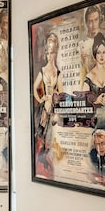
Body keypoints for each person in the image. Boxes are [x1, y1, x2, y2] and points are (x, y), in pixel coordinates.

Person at [33, 33, 63, 168]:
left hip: (53, 107)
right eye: (48, 53)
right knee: (42, 133)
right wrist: (41, 98)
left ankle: (46, 156)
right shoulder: (43, 70)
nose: (49, 56)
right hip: (45, 106)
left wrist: (56, 94)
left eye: (52, 53)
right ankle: (41, 157)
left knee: (50, 135)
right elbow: (34, 88)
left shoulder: (58, 73)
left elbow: (61, 93)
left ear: (55, 54)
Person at [82, 33, 105, 109]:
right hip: (94, 118)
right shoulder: (89, 76)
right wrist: (95, 100)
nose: (101, 56)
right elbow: (83, 100)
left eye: (104, 52)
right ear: (95, 53)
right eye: (98, 52)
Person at [79, 5, 104, 76]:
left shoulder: (104, 41)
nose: (93, 25)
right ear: (86, 23)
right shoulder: (81, 45)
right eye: (90, 21)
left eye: (96, 20)